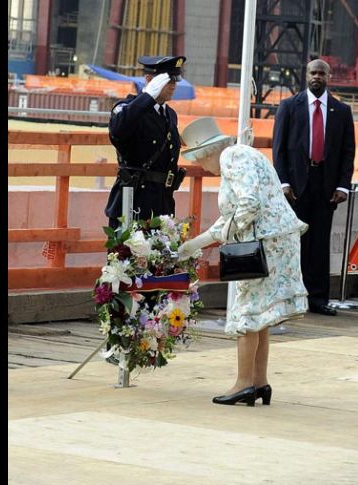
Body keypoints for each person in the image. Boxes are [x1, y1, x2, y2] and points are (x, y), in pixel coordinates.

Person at [177, 118, 308, 407]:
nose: (202, 168)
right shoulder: (242, 155)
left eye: (199, 160)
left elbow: (248, 204)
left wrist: (223, 235)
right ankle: (259, 382)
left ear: (205, 152)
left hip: (265, 242)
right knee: (259, 314)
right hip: (275, 239)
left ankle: (244, 383)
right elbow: (234, 216)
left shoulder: (231, 157)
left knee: (247, 311)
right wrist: (193, 245)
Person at [272, 59, 356, 316]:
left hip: (326, 184)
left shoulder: (341, 111)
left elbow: (347, 152)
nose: (317, 77)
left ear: (329, 77)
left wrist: (343, 185)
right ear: (306, 75)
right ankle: (290, 297)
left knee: (320, 243)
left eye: (321, 73)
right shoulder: (289, 106)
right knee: (293, 242)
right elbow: (279, 149)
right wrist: (283, 182)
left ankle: (318, 298)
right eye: (313, 72)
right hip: (296, 185)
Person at [104, 55, 187, 229]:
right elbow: (118, 130)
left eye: (175, 80)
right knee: (128, 254)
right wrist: (147, 96)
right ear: (149, 80)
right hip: (134, 200)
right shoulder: (128, 109)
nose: (173, 85)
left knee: (161, 253)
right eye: (167, 80)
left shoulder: (170, 115)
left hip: (163, 201)